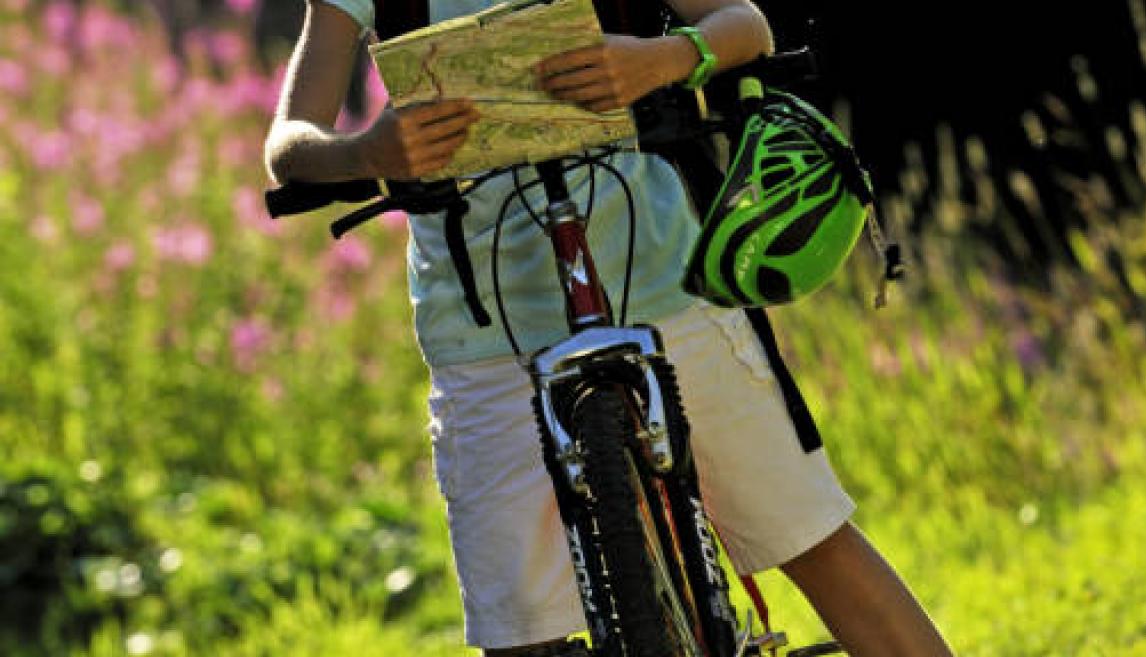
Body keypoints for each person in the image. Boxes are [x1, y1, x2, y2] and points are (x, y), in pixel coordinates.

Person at [264, 1, 956, 656]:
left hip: (665, 288)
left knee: (813, 539)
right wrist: (367, 154)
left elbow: (745, 23)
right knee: (521, 636)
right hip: (484, 338)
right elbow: (290, 142)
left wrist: (664, 58)